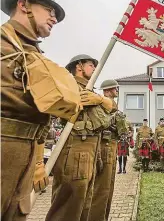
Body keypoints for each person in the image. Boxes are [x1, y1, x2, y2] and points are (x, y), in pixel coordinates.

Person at [1, 0, 66, 221]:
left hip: (26, 154)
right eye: (49, 10)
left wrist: (38, 160)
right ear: (23, 5)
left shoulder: (34, 53)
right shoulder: (3, 43)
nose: (54, 18)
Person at [46, 55, 116, 221]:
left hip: (91, 150)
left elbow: (113, 107)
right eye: (91, 65)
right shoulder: (68, 86)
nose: (94, 69)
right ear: (79, 66)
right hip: (75, 149)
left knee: (84, 203)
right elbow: (46, 115)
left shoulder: (92, 91)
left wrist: (99, 98)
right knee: (68, 207)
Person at [89, 79, 122, 221]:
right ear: (108, 90)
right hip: (104, 145)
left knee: (108, 187)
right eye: (115, 88)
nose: (117, 90)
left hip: (112, 144)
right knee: (101, 189)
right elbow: (101, 124)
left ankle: (103, 217)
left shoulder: (113, 105)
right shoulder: (101, 103)